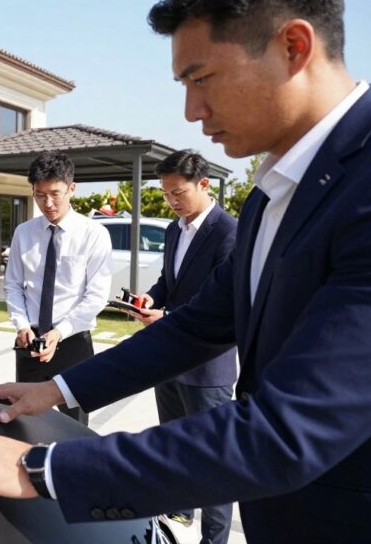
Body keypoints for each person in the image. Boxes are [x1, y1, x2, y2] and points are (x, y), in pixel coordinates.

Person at [0, 0, 371, 541]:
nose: (191, 112)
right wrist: (57, 391)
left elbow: (289, 431)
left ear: (293, 47)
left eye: (200, 78)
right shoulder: (271, 196)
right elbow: (196, 326)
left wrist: (42, 469)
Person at [128, 149, 238, 543]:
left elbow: (220, 302)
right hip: (169, 357)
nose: (172, 201)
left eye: (178, 193)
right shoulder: (175, 229)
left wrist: (170, 318)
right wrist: (150, 301)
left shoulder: (228, 231)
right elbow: (168, 282)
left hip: (209, 366)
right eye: (167, 194)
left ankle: (214, 538)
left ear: (204, 184)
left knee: (213, 458)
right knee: (174, 442)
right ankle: (180, 509)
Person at [4, 152, 112, 424]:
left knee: (74, 425)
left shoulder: (94, 234)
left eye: (55, 194)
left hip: (72, 340)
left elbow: (96, 296)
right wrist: (21, 325)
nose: (48, 203)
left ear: (71, 189)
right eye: (40, 195)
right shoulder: (24, 232)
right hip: (29, 339)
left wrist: (58, 333)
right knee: (24, 421)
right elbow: (13, 285)